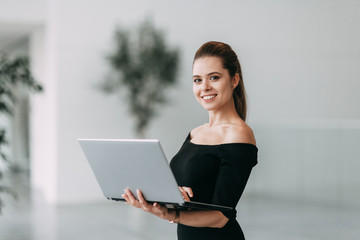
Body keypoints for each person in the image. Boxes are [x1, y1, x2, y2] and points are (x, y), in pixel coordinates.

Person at [122, 41, 258, 240]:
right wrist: (171, 196)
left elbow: (221, 216)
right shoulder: (195, 133)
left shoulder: (238, 134)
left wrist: (171, 214)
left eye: (214, 77)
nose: (205, 87)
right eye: (197, 80)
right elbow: (192, 191)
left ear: (234, 80)